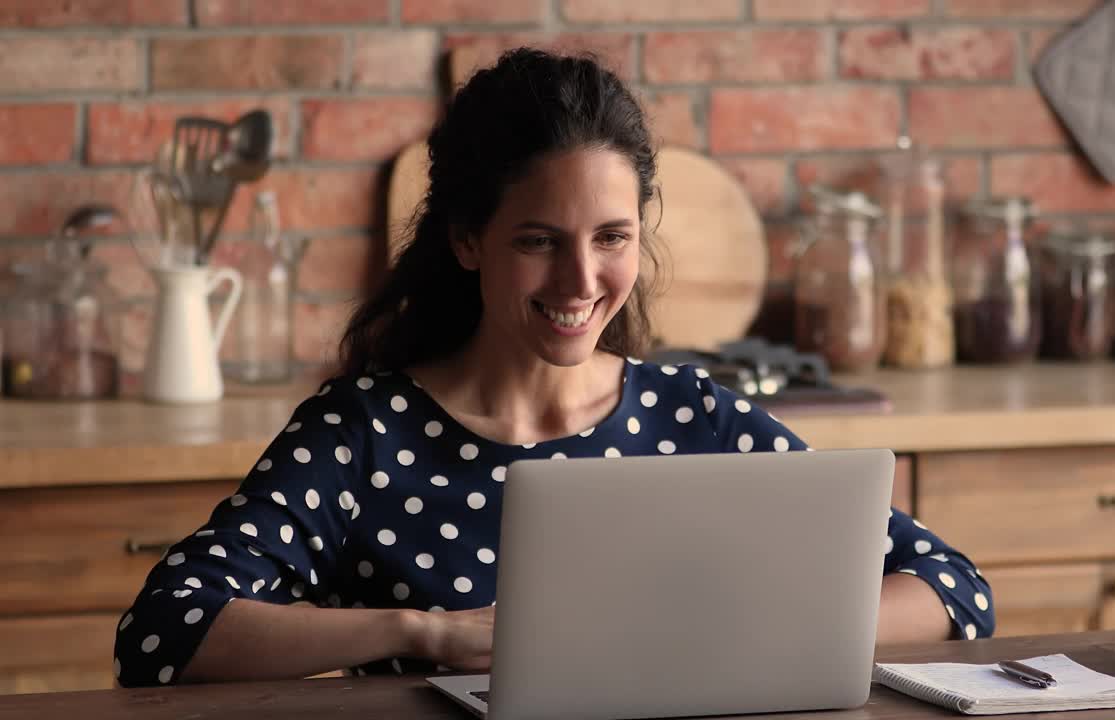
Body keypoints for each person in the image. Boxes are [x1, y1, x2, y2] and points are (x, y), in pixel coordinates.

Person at [113, 48, 994, 688]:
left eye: (611, 239)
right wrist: (425, 633)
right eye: (539, 242)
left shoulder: (694, 417)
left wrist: (741, 629)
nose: (581, 283)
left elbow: (954, 590)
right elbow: (163, 630)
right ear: (467, 239)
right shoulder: (364, 432)